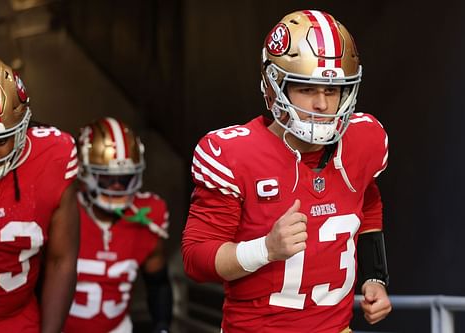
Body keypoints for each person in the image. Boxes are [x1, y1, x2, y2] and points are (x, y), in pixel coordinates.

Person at [182, 9, 392, 333]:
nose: (322, 104)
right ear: (274, 87)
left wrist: (375, 275)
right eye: (307, 89)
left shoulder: (364, 141)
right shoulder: (234, 154)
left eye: (332, 90)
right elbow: (196, 258)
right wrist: (265, 248)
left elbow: (367, 202)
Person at [0, 56, 80, 332]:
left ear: (23, 126)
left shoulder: (53, 156)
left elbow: (61, 259)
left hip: (21, 319)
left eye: (2, 140)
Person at [63, 117, 172, 333]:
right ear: (84, 173)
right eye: (106, 178)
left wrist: (162, 327)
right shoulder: (64, 210)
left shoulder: (151, 214)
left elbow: (158, 283)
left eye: (124, 178)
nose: (116, 186)